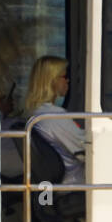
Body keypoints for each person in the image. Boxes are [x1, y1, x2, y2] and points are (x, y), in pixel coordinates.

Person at [23, 56, 85, 185]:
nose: (68, 80)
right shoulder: (54, 116)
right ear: (51, 81)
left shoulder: (36, 113)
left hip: (58, 184)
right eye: (64, 76)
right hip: (74, 183)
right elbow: (84, 150)